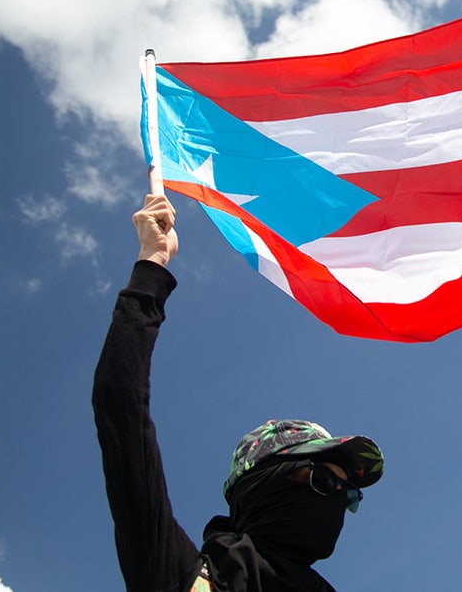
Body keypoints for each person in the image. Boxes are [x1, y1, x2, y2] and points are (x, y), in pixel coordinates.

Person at [93, 194, 384, 592]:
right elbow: (119, 407)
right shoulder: (190, 576)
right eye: (323, 483)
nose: (336, 504)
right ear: (264, 486)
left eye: (348, 495)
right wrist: (152, 263)